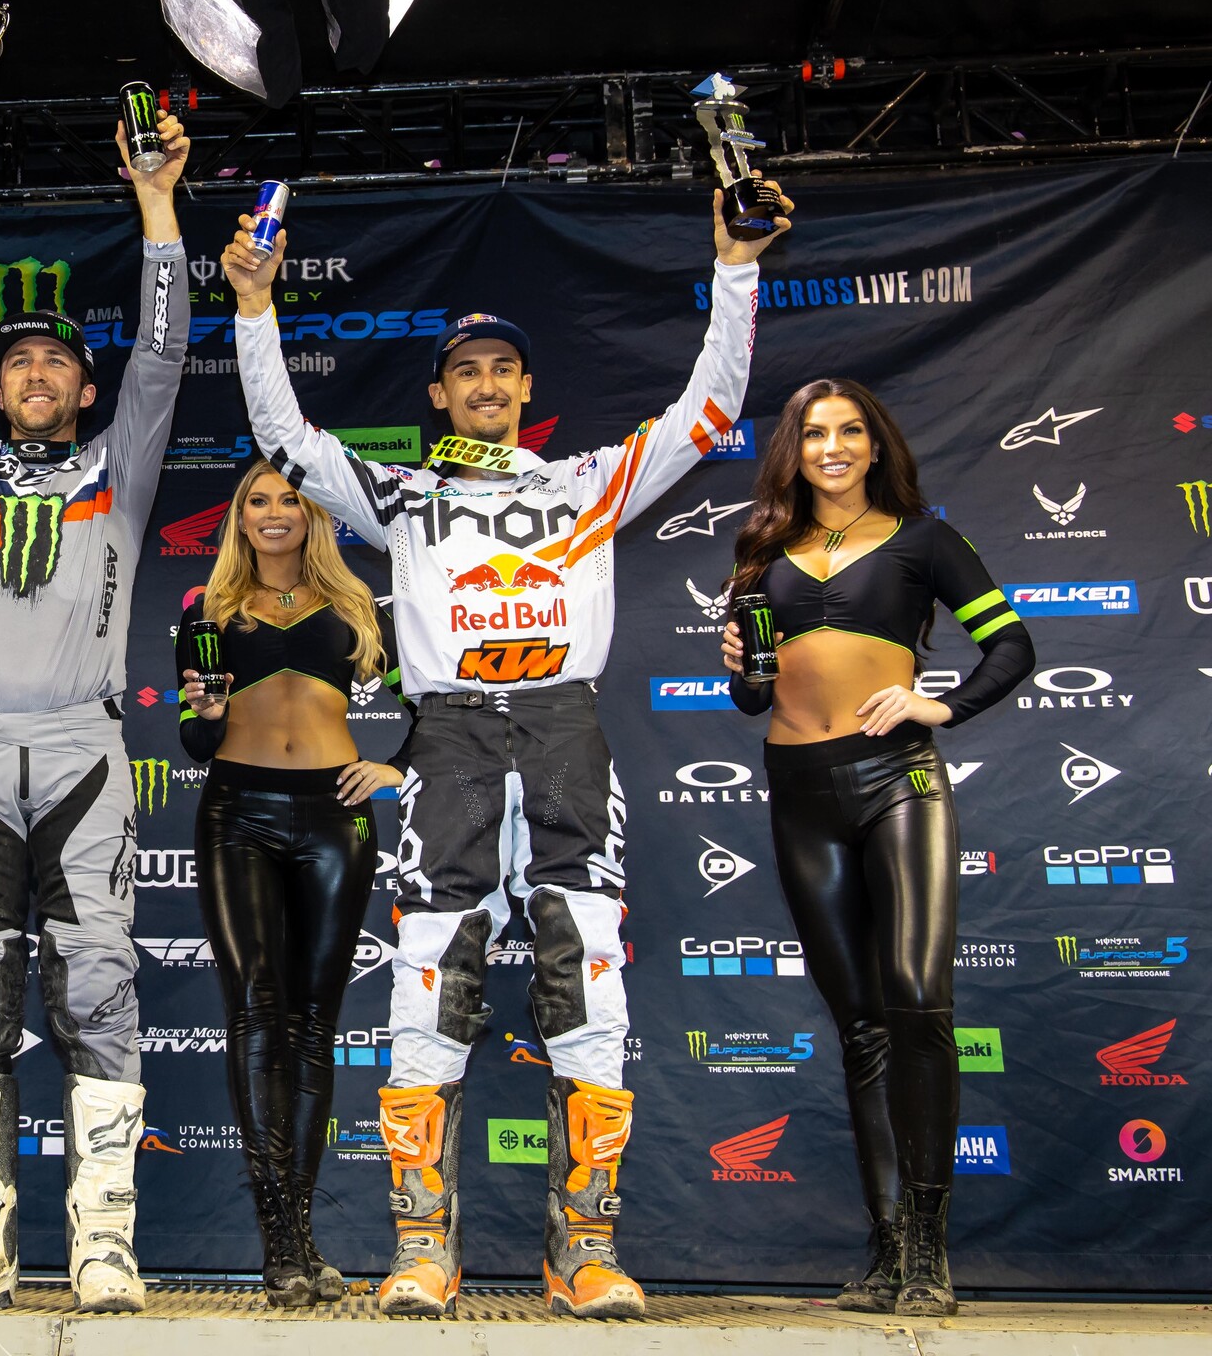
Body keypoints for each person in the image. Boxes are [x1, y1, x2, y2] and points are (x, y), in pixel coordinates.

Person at [228, 179, 794, 1319]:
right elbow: (285, 435)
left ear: (526, 389)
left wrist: (735, 263)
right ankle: (424, 1250)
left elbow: (706, 407)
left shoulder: (588, 483)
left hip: (565, 731)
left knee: (591, 979)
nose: (485, 384)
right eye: (464, 371)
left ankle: (580, 1250)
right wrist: (251, 305)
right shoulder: (404, 492)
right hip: (451, 742)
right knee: (429, 980)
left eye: (502, 369)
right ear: (438, 393)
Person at [0, 103, 191, 1313]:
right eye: (15, 361)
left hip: (80, 751)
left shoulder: (120, 471)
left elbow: (165, 351)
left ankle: (105, 1243)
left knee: (100, 986)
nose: (31, 374)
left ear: (83, 382)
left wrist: (158, 205)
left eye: (55, 361)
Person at [723, 379, 1031, 1318]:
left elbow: (1012, 647)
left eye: (850, 430)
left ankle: (931, 1252)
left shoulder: (923, 539)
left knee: (914, 1000)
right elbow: (750, 698)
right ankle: (887, 1247)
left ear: (875, 443)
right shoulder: (761, 553)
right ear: (794, 450)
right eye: (814, 433)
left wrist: (940, 704)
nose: (833, 446)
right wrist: (738, 671)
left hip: (899, 781)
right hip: (799, 791)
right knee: (859, 1023)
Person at [174, 462, 413, 1306]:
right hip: (235, 812)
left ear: (315, 516)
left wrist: (396, 767)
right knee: (255, 1011)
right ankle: (281, 1237)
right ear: (238, 519)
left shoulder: (359, 609)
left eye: (289, 500)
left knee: (315, 1025)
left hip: (335, 817)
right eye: (257, 501)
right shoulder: (205, 612)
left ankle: (301, 1234)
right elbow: (193, 745)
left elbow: (430, 701)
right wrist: (202, 716)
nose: (274, 512)